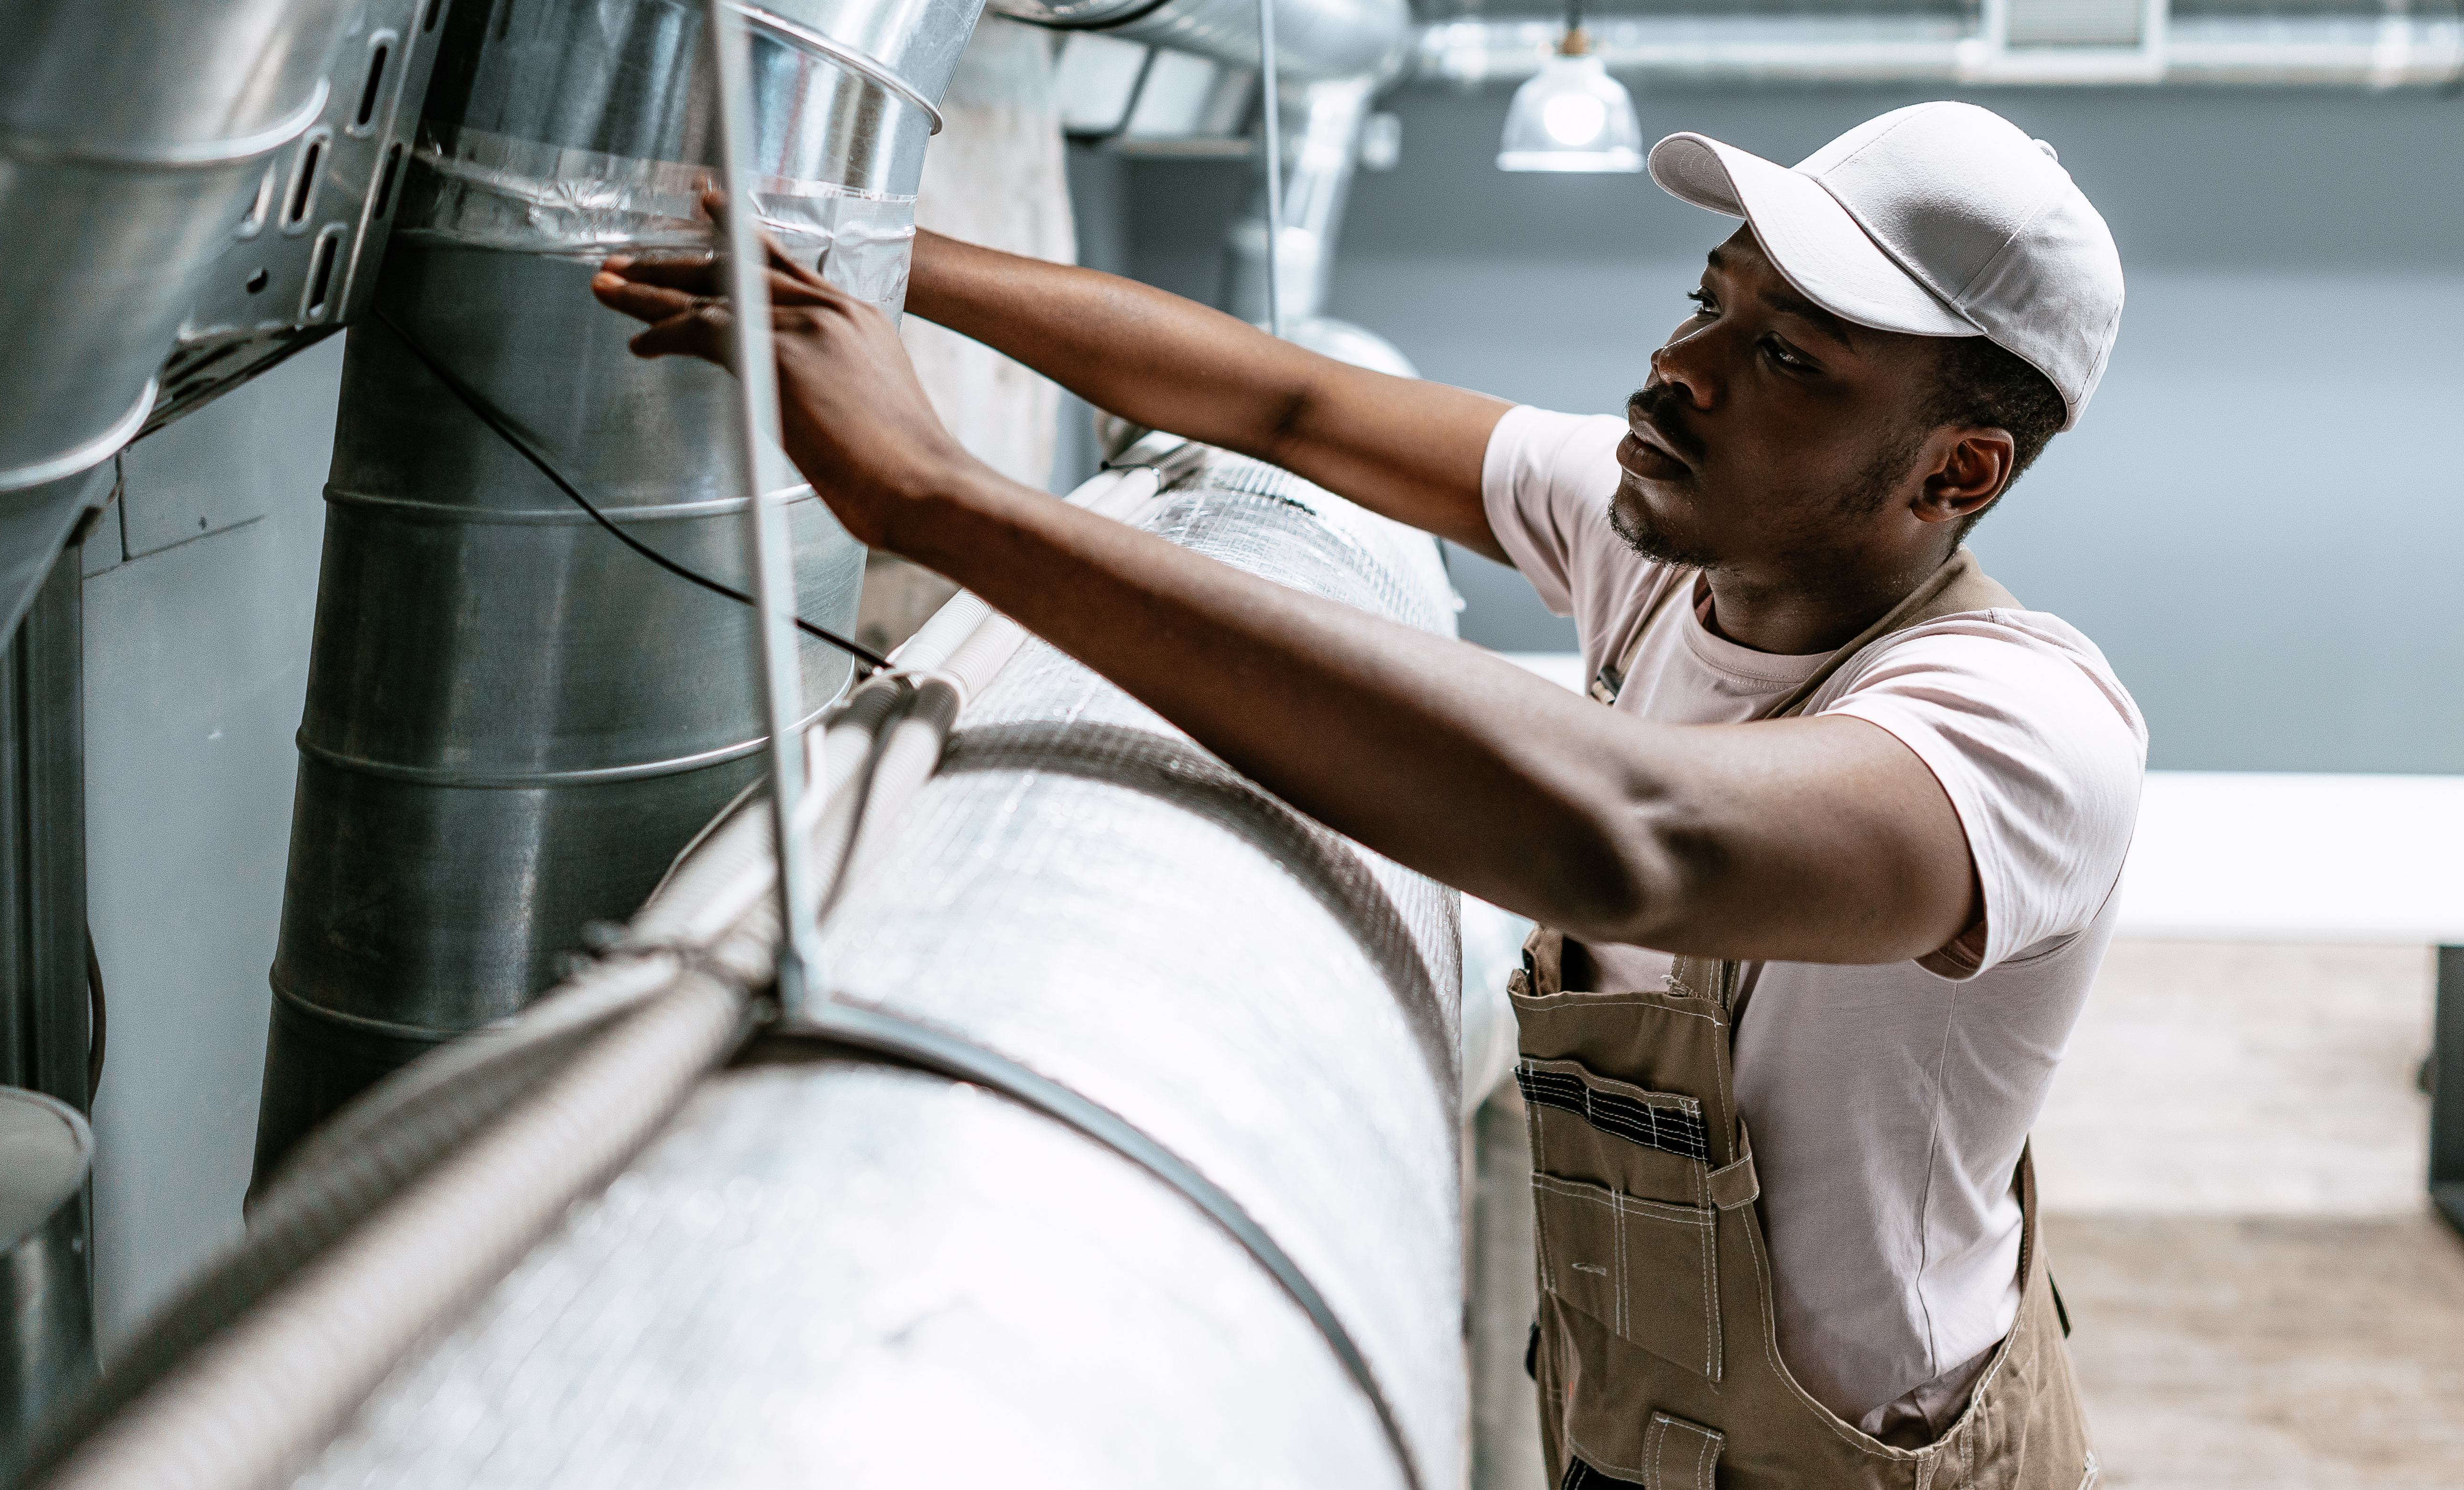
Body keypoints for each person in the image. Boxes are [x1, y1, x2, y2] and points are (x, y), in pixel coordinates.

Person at [591, 98, 2144, 1490]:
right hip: (1626, 1416)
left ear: (1956, 473)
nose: (1679, 370)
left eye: (1787, 357)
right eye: (1707, 301)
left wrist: (934, 496)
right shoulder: (1661, 547)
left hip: (1860, 1471)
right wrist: (861, 262)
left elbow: (1636, 835)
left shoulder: (2018, 729)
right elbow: (1289, 409)